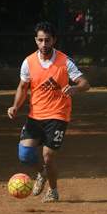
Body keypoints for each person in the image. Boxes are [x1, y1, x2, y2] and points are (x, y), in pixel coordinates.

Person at [7, 21, 90, 202]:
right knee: (24, 155)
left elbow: (85, 83)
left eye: (47, 40)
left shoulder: (64, 61)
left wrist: (75, 89)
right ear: (36, 41)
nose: (44, 44)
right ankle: (42, 173)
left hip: (58, 115)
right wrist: (15, 106)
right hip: (35, 116)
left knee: (48, 155)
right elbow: (23, 87)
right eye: (40, 40)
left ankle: (53, 191)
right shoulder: (28, 62)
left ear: (54, 40)